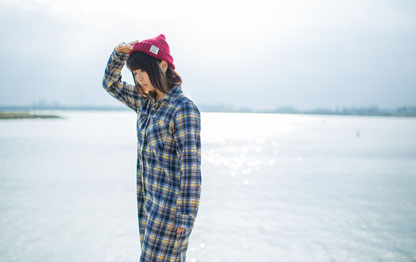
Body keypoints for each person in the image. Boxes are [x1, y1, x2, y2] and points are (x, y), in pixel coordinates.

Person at [102, 34, 202, 262]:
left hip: (170, 210)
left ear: (163, 65)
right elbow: (110, 84)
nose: (138, 79)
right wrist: (119, 54)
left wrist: (185, 217)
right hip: (147, 203)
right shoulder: (145, 102)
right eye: (134, 73)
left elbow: (191, 169)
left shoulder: (183, 108)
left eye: (142, 71)